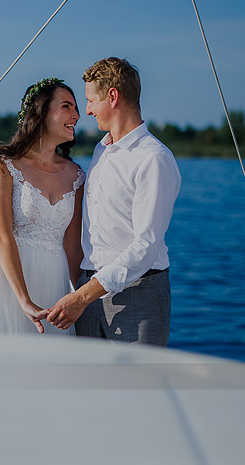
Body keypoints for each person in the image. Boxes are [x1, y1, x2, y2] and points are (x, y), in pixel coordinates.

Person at [47, 57, 181, 345]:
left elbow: (146, 246)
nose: (87, 110)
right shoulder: (102, 150)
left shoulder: (154, 159)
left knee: (137, 388)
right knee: (90, 387)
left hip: (139, 294)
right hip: (89, 293)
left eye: (90, 100)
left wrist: (82, 296)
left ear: (112, 96)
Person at [0, 78, 85, 334]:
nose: (77, 115)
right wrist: (23, 299)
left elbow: (73, 247)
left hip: (53, 281)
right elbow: (1, 234)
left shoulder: (76, 175)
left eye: (76, 108)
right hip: (3, 280)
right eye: (67, 107)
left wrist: (81, 299)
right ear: (41, 112)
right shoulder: (4, 165)